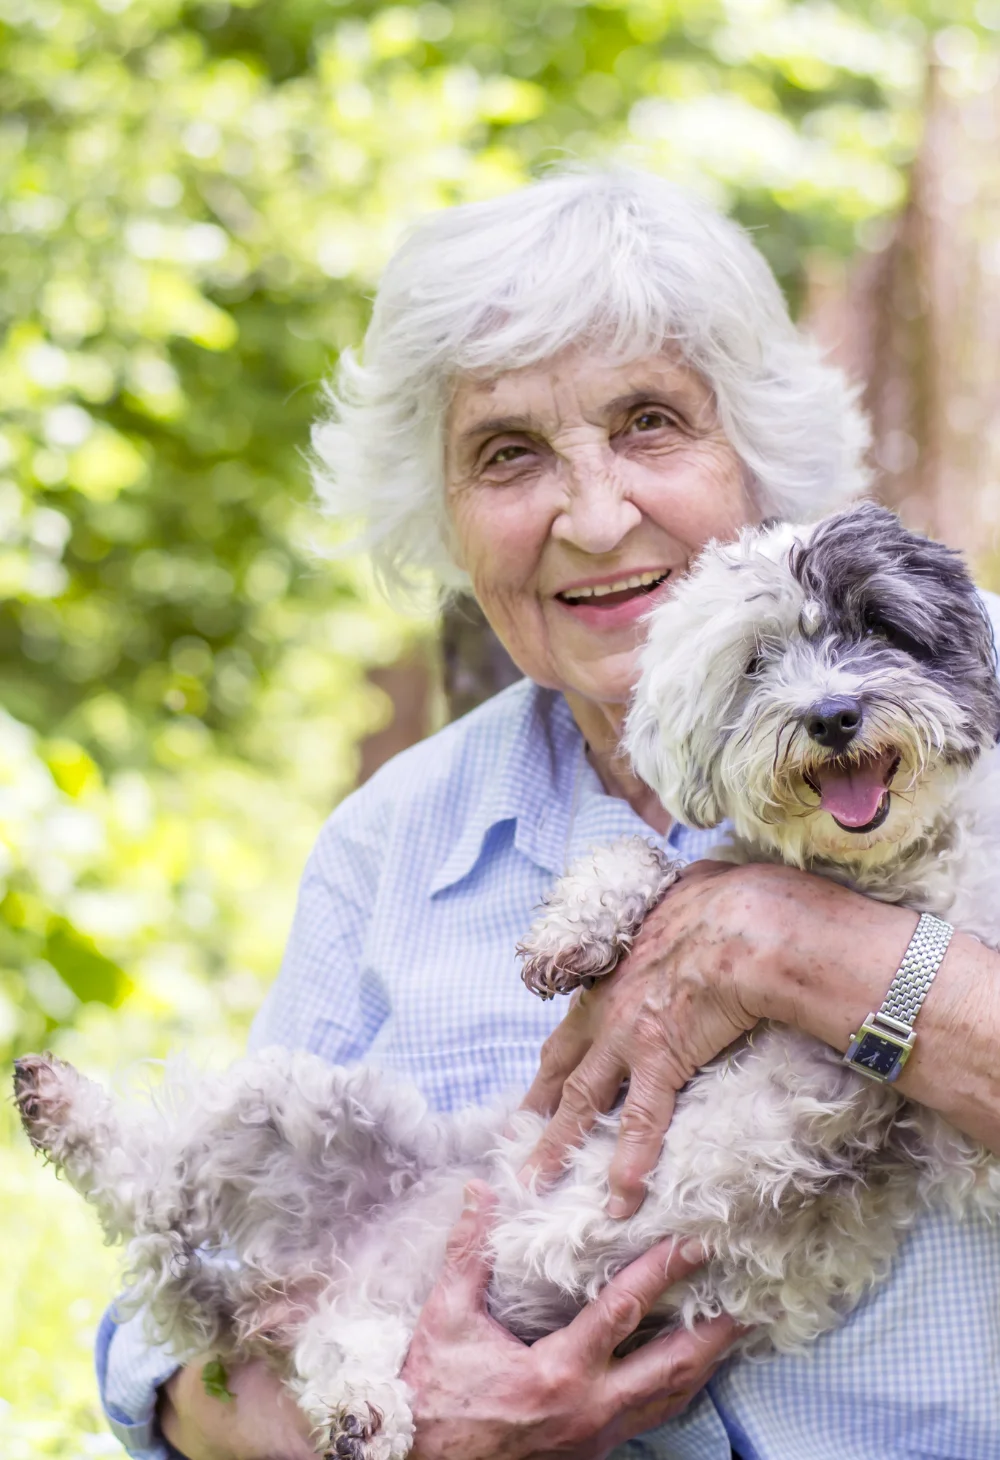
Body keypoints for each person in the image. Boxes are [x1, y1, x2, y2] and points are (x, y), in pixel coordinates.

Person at [98, 168, 1000, 1460]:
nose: (592, 515)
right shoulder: (398, 840)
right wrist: (417, 1435)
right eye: (508, 454)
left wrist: (820, 956)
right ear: (446, 518)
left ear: (751, 448)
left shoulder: (973, 698)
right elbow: (169, 1352)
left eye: (648, 424)